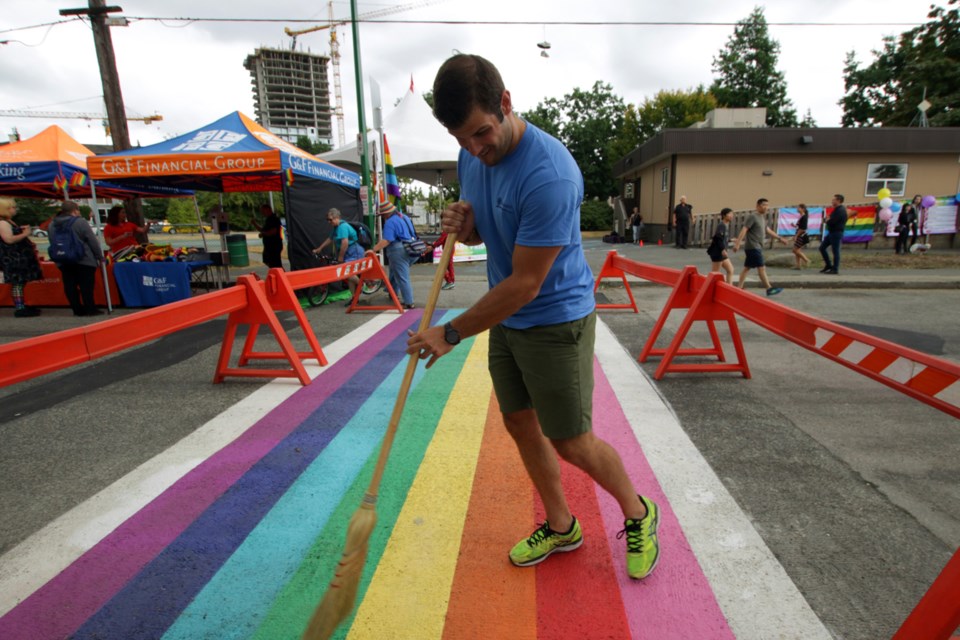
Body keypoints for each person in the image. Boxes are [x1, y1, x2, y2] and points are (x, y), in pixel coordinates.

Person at [406, 53, 660, 581]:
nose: (476, 149)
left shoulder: (551, 174)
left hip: (554, 319)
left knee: (571, 440)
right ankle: (562, 525)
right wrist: (466, 223)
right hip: (509, 318)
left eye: (481, 133)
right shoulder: (473, 156)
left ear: (505, 103)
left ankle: (639, 512)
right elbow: (487, 230)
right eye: (462, 140)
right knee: (520, 424)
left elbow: (527, 282)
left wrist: (450, 332)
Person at [50, 200, 104, 316]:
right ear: (75, 211)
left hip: (63, 259)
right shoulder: (80, 222)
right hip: (83, 258)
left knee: (70, 285)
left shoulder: (52, 224)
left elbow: (52, 241)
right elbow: (92, 240)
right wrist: (99, 256)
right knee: (86, 286)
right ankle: (90, 308)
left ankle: (76, 309)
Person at [371, 200, 419, 309]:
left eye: (382, 215)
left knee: (402, 276)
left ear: (386, 214)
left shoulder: (390, 222)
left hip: (398, 251)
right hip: (412, 249)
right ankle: (392, 293)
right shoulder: (404, 217)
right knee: (394, 271)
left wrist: (373, 249)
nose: (382, 217)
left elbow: (387, 240)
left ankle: (409, 302)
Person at [733, 197, 787, 295]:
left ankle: (739, 288)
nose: (766, 207)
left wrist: (780, 238)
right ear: (757, 206)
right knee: (761, 267)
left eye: (767, 205)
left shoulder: (762, 218)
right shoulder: (753, 216)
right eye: (763, 205)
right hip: (753, 246)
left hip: (756, 247)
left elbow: (768, 230)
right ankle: (769, 288)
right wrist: (737, 244)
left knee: (747, 268)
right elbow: (744, 230)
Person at [0, 197, 43, 317]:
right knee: (17, 282)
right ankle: (20, 307)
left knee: (20, 282)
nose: (15, 209)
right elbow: (8, 239)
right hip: (12, 257)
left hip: (19, 256)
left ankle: (21, 305)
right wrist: (24, 234)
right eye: (12, 207)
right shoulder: (2, 223)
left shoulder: (8, 221)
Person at [312, 207, 364, 304]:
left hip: (354, 250)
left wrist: (340, 257)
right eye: (327, 220)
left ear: (336, 217)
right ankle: (354, 298)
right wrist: (319, 248)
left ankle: (362, 285)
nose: (329, 222)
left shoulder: (342, 227)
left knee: (347, 273)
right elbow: (330, 239)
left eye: (330, 219)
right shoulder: (336, 228)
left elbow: (345, 243)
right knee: (349, 275)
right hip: (349, 251)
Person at [819, 194, 847, 274]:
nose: (832, 201)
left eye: (834, 200)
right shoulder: (836, 210)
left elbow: (832, 221)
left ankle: (835, 269)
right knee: (822, 248)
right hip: (831, 233)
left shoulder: (841, 210)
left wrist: (827, 220)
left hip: (836, 233)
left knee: (835, 251)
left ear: (838, 200)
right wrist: (826, 219)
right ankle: (828, 265)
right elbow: (827, 218)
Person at [706, 207, 735, 284]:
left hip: (722, 253)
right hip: (718, 252)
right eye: (730, 214)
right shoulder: (721, 225)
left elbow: (722, 238)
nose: (731, 215)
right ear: (724, 215)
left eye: (732, 214)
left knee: (730, 270)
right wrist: (723, 249)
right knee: (715, 274)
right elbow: (718, 238)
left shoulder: (725, 225)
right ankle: (708, 289)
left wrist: (731, 240)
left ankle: (729, 289)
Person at [253, 204, 284, 269]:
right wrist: (255, 224)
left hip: (274, 245)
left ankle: (280, 275)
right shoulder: (268, 220)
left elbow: (273, 231)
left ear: (268, 210)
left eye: (263, 211)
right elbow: (263, 229)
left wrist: (263, 234)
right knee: (268, 260)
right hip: (269, 246)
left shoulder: (273, 219)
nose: (262, 213)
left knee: (276, 264)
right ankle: (278, 273)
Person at [791, 203, 811, 269]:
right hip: (800, 235)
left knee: (795, 250)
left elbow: (803, 229)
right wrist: (794, 225)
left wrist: (796, 236)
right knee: (798, 250)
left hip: (802, 236)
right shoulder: (801, 217)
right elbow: (800, 226)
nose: (797, 209)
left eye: (799, 208)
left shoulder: (804, 217)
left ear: (803, 209)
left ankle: (806, 260)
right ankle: (798, 266)